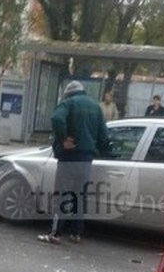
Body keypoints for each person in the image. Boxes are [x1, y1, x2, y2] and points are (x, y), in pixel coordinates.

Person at [38, 80, 111, 245]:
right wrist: (95, 148)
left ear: (68, 93)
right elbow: (104, 135)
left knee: (62, 195)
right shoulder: (95, 106)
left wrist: (63, 138)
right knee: (80, 196)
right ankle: (76, 233)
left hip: (69, 157)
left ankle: (55, 233)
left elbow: (57, 119)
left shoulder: (68, 103)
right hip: (86, 159)